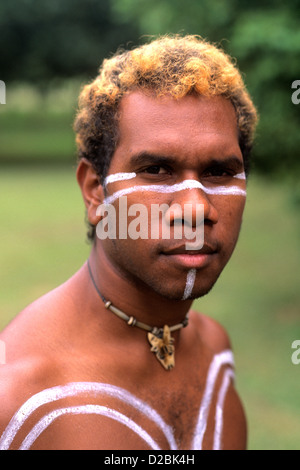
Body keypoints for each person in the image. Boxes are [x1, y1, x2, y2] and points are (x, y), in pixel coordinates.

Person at [0, 35, 257, 450]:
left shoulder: (214, 350)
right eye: (156, 169)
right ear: (95, 192)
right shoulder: (17, 399)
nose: (195, 208)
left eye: (219, 172)